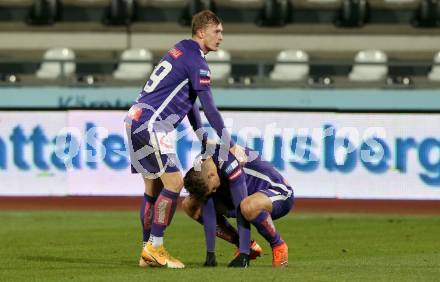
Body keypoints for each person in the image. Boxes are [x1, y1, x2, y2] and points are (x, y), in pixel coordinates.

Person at [124, 10, 246, 269]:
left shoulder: (181, 50)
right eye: (217, 31)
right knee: (175, 182)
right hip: (152, 124)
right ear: (201, 32)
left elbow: (190, 103)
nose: (221, 37)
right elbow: (209, 108)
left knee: (152, 190)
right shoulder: (199, 62)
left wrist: (202, 136)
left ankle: (147, 252)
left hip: (136, 118)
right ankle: (155, 248)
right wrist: (230, 143)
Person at [183, 145, 294, 267]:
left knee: (247, 206)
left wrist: (243, 254)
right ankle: (246, 245)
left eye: (213, 188)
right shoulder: (203, 165)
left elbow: (240, 204)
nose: (214, 191)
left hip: (278, 193)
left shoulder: (229, 163)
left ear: (211, 175)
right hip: (243, 199)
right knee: (190, 205)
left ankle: (278, 245)